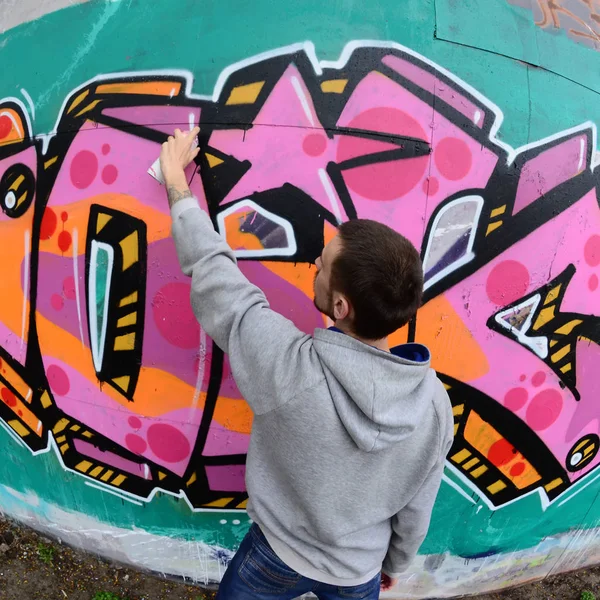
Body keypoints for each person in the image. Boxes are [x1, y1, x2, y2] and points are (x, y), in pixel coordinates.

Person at [160, 128, 454, 600]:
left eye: (323, 264)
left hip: (274, 557)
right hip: (357, 571)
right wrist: (395, 564)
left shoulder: (290, 366)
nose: (315, 259)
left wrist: (176, 183)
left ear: (340, 307)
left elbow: (219, 281)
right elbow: (418, 507)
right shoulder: (435, 406)